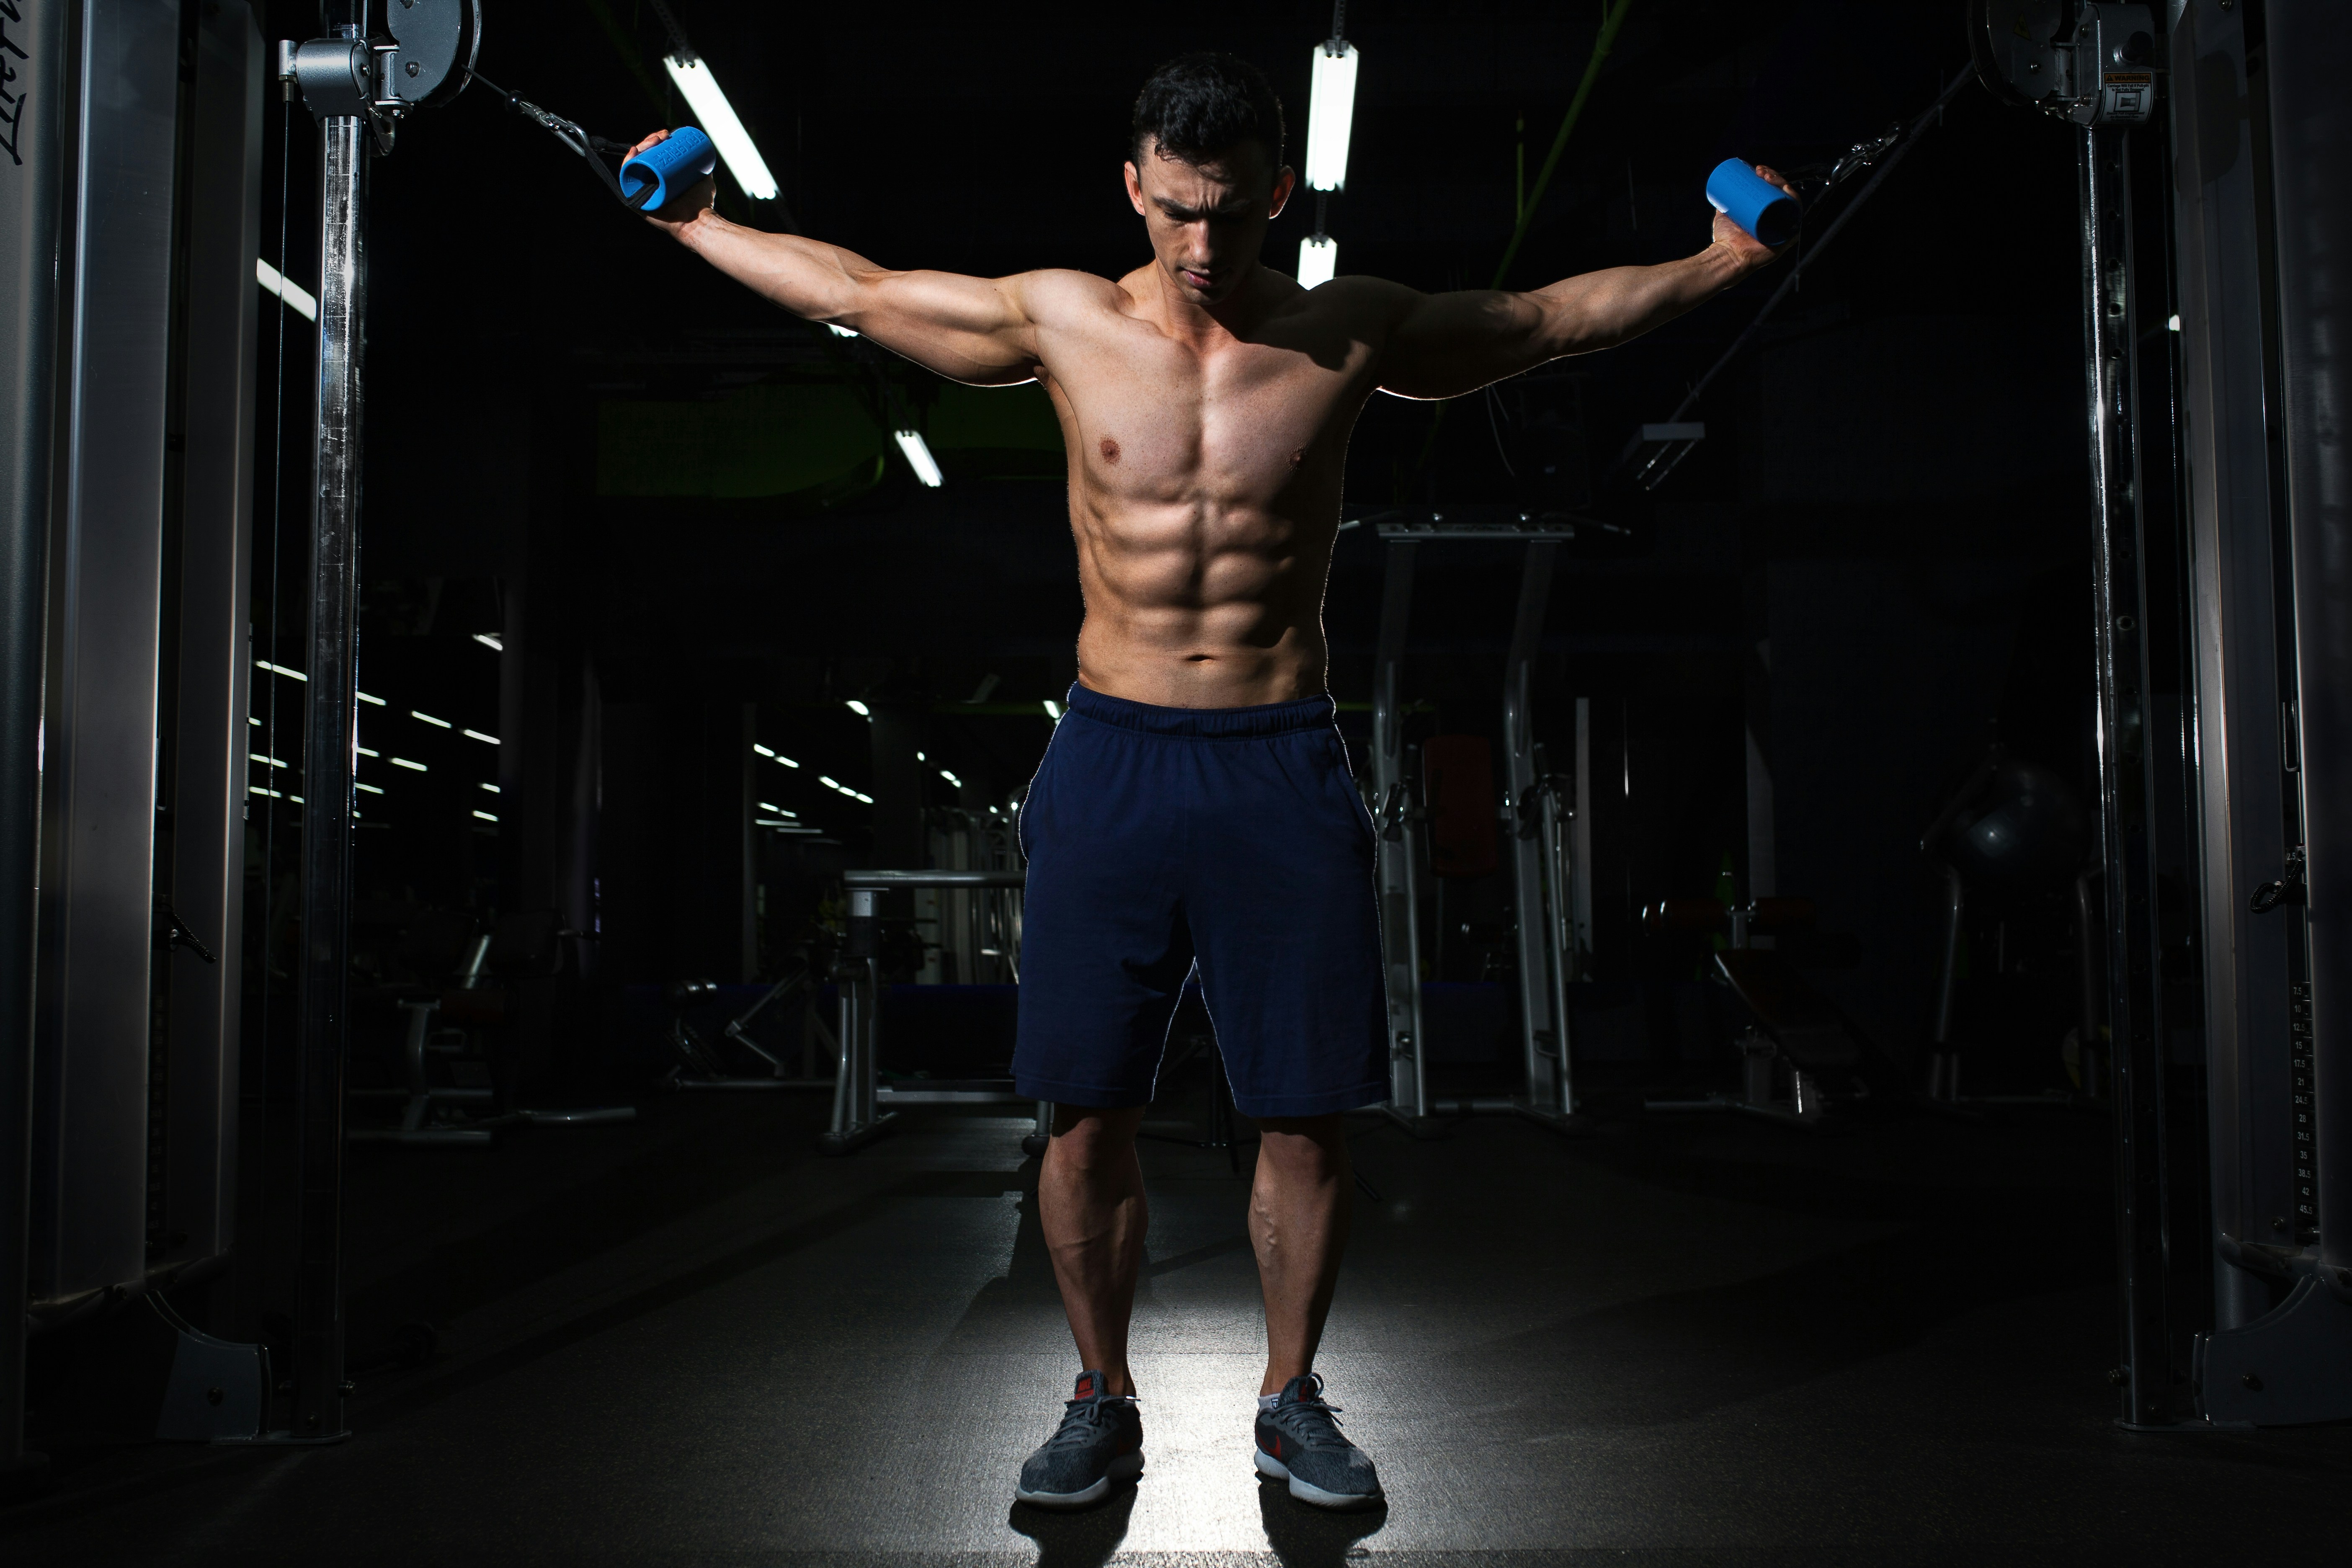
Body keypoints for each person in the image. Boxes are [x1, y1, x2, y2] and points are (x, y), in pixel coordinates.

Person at [630, 51, 1787, 1513]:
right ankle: (1097, 1397)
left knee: (1304, 1113)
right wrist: (695, 227)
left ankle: (1290, 1397)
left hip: (1278, 758)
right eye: (1174, 210)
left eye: (1229, 216)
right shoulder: (1061, 317)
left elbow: (1550, 319)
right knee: (1083, 1111)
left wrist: (1722, 260)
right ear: (1133, 186)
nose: (1198, 245)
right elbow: (858, 287)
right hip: (1110, 756)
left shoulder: (1349, 331)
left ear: (1278, 198)